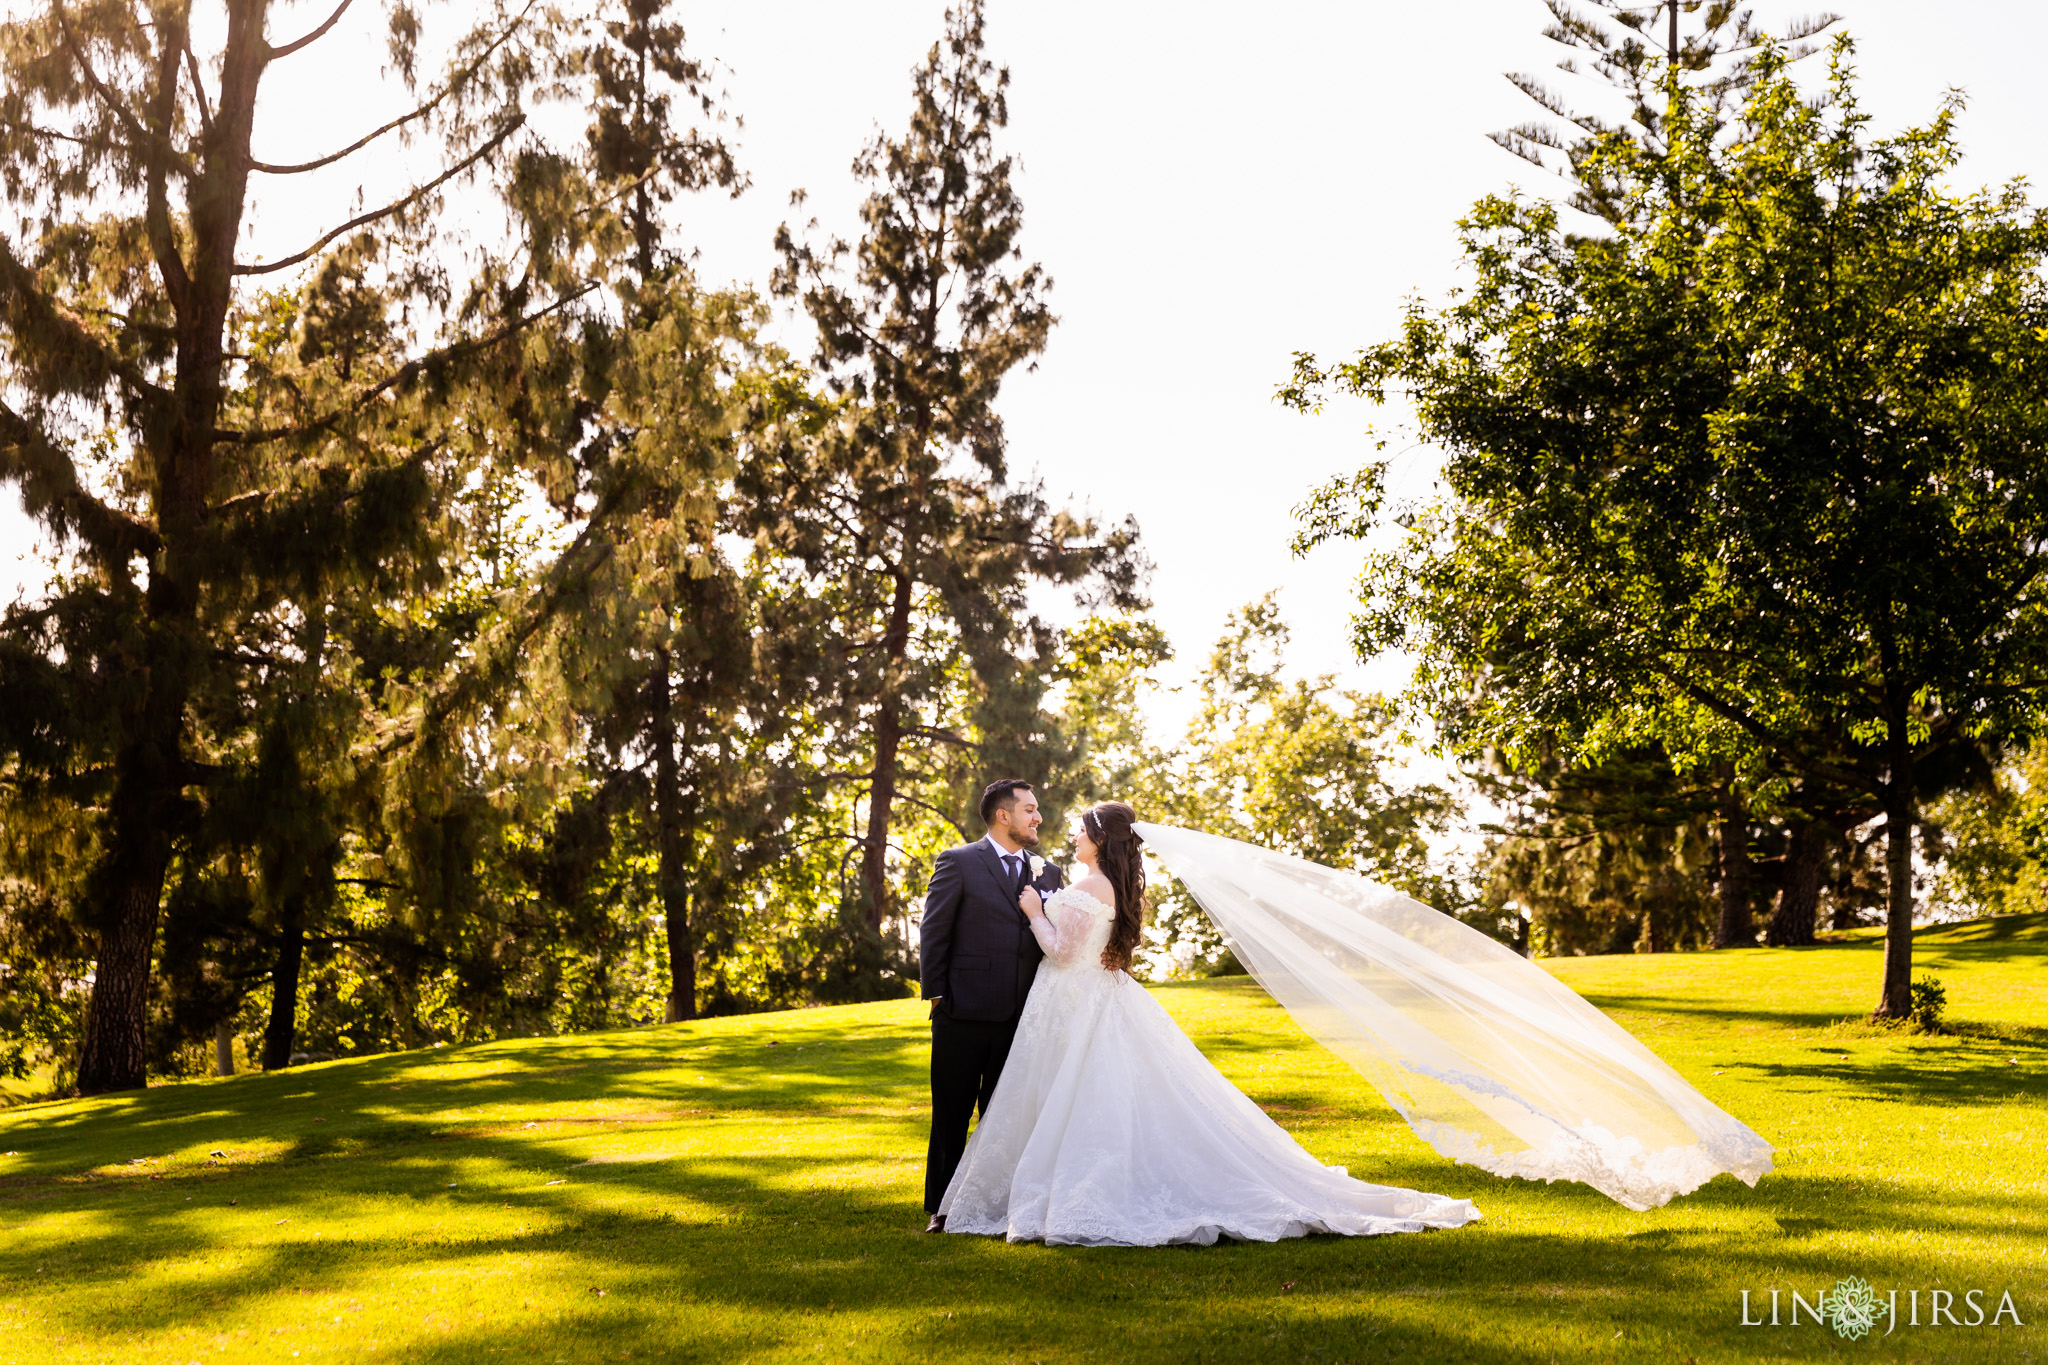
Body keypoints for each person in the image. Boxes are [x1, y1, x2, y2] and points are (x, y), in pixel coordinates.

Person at [935, 800, 1480, 1246]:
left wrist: (1035, 911)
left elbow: (1059, 952)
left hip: (1074, 1002)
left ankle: (1056, 1194)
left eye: (1081, 831)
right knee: (1075, 1101)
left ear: (1099, 840)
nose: (1072, 837)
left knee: (1075, 1098)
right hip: (1083, 1000)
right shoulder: (1111, 886)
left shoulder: (1091, 886)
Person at [917, 778, 1065, 1232]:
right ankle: (942, 1209)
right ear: (1004, 816)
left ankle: (1000, 1207)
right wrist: (938, 995)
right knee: (951, 1114)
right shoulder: (959, 861)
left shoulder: (1050, 873)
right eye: (1030, 809)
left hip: (1023, 1017)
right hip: (962, 1013)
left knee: (1006, 1118)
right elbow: (934, 929)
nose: (1038, 817)